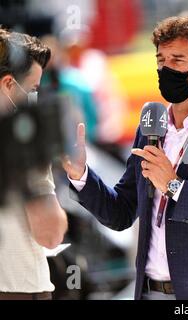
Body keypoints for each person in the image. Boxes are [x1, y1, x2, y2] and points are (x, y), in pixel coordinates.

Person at [63, 16, 188, 300]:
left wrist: (174, 186)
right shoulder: (150, 128)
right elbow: (121, 212)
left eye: (177, 60)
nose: (166, 69)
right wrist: (81, 174)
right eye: (161, 60)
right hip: (149, 292)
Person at [0, 28, 68, 300]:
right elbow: (49, 234)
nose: (34, 99)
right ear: (8, 85)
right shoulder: (24, 144)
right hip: (18, 290)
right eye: (33, 90)